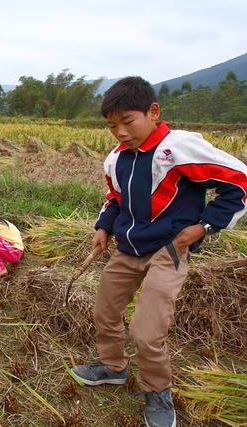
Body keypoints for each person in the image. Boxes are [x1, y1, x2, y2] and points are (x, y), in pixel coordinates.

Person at [70, 76, 247, 427]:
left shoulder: (177, 149)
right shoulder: (117, 159)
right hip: (128, 248)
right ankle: (113, 367)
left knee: (147, 331)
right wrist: (104, 227)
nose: (120, 132)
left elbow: (239, 181)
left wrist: (205, 226)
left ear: (153, 112)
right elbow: (115, 199)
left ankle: (157, 392)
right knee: (105, 309)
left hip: (168, 250)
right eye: (111, 125)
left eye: (127, 121)